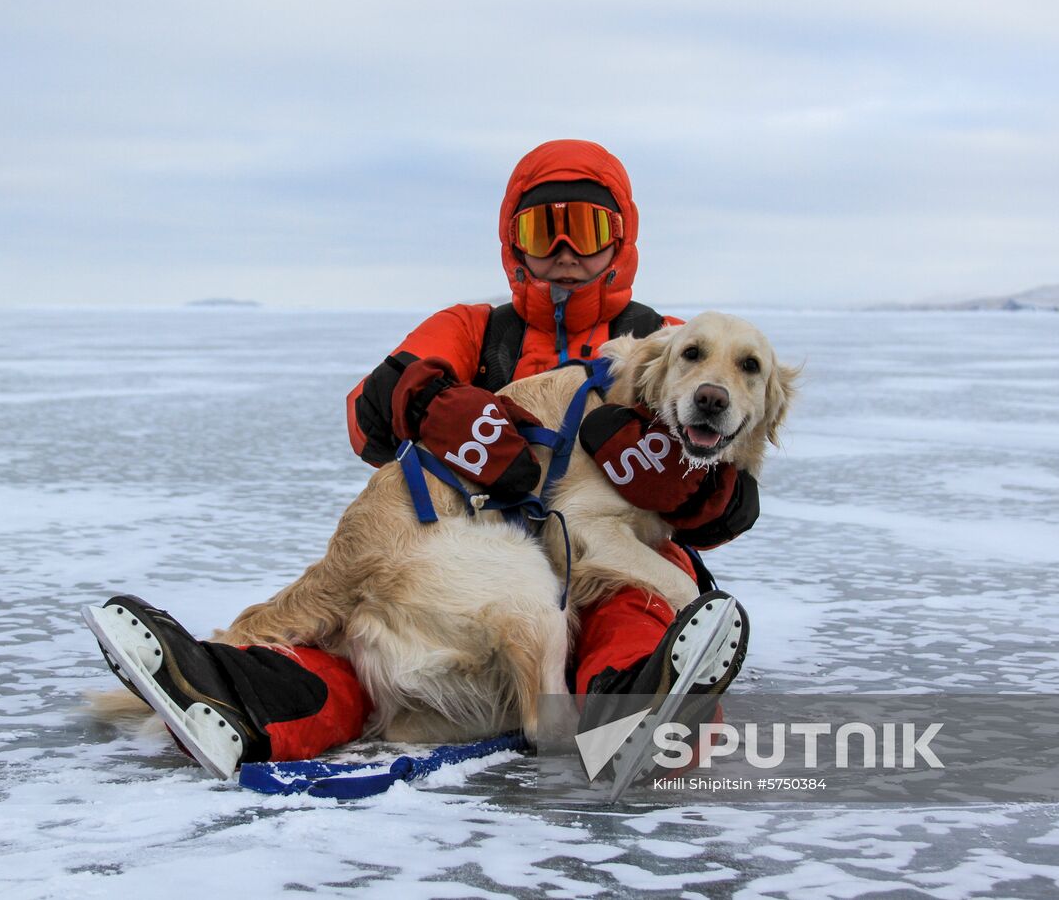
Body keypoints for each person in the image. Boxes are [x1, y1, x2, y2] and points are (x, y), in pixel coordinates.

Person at [88, 140, 758, 774]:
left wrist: (707, 496)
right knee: (355, 661)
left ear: (619, 239)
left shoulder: (670, 344)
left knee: (638, 605)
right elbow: (365, 413)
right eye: (541, 231)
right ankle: (232, 699)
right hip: (464, 558)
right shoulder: (474, 328)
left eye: (583, 229)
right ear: (513, 243)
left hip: (601, 566)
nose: (562, 252)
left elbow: (735, 453)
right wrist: (430, 405)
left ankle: (634, 721)